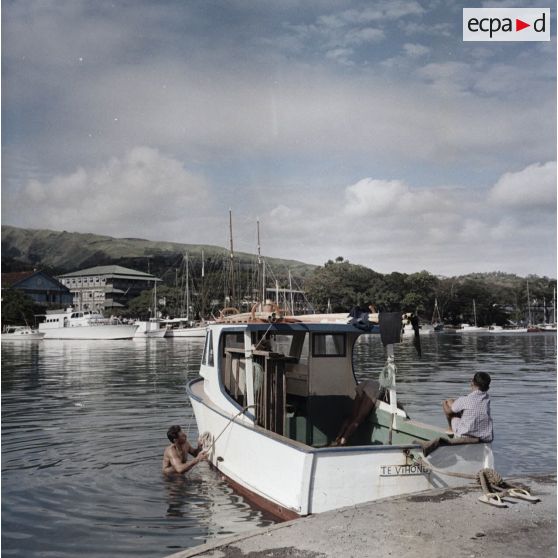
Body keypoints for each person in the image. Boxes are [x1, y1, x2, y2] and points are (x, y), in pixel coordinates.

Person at [442, 372, 493, 442]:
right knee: (462, 409)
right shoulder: (487, 400)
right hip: (485, 438)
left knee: (449, 404)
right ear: (487, 388)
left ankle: (450, 429)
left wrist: (444, 403)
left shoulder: (464, 400)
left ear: (472, 383)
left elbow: (448, 411)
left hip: (465, 436)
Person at [333, 379, 380, 446]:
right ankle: (343, 440)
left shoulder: (374, 382)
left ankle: (337, 438)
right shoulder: (379, 388)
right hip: (373, 388)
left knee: (353, 416)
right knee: (358, 419)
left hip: (365, 382)